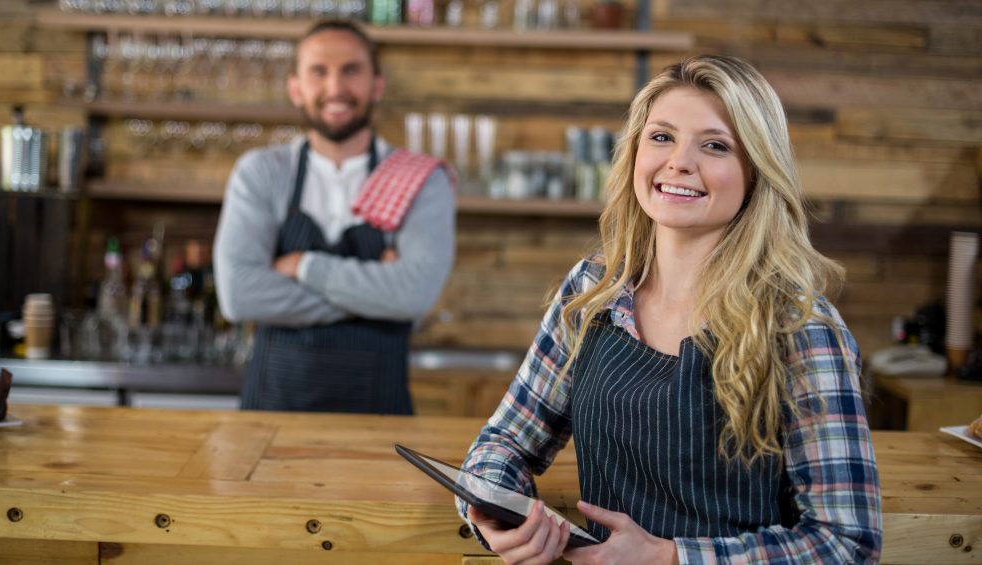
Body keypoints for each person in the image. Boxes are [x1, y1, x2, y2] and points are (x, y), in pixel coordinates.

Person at [457, 55, 882, 564]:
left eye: (715, 145)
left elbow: (847, 542)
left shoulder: (800, 327)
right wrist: (492, 511)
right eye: (661, 137)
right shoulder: (594, 289)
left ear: (756, 173)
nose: (679, 162)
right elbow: (503, 442)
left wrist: (670, 556)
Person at [214, 20, 455, 415]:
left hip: (379, 423)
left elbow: (415, 295)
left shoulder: (422, 180)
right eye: (318, 72)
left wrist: (304, 266)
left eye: (351, 70)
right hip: (269, 422)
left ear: (377, 85)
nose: (335, 88)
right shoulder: (261, 172)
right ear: (295, 87)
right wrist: (379, 291)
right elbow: (238, 295)